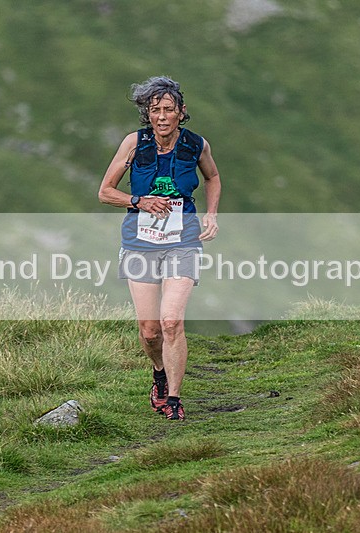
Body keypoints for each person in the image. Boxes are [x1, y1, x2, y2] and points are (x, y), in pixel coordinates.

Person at [98, 76, 221, 420]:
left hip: (183, 241)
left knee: (171, 322)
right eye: (155, 110)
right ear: (147, 114)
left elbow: (212, 178)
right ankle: (159, 373)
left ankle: (175, 400)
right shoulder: (134, 144)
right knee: (150, 331)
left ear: (182, 112)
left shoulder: (197, 145)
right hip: (140, 243)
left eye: (169, 109)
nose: (162, 116)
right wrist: (139, 201)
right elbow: (106, 192)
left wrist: (211, 216)